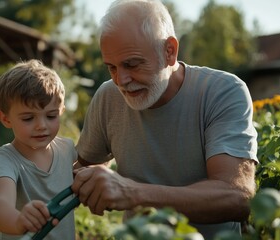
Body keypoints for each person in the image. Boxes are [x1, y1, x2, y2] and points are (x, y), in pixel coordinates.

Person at [71, 0, 258, 239]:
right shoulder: (108, 97)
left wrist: (133, 193)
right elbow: (82, 168)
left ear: (169, 51)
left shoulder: (221, 92)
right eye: (112, 68)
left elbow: (237, 196)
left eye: (132, 64)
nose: (121, 80)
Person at [0, 59, 77, 240]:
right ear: (5, 119)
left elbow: (87, 171)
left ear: (61, 111)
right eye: (28, 118)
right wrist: (18, 221)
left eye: (51, 116)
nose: (41, 126)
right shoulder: (5, 159)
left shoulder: (67, 149)